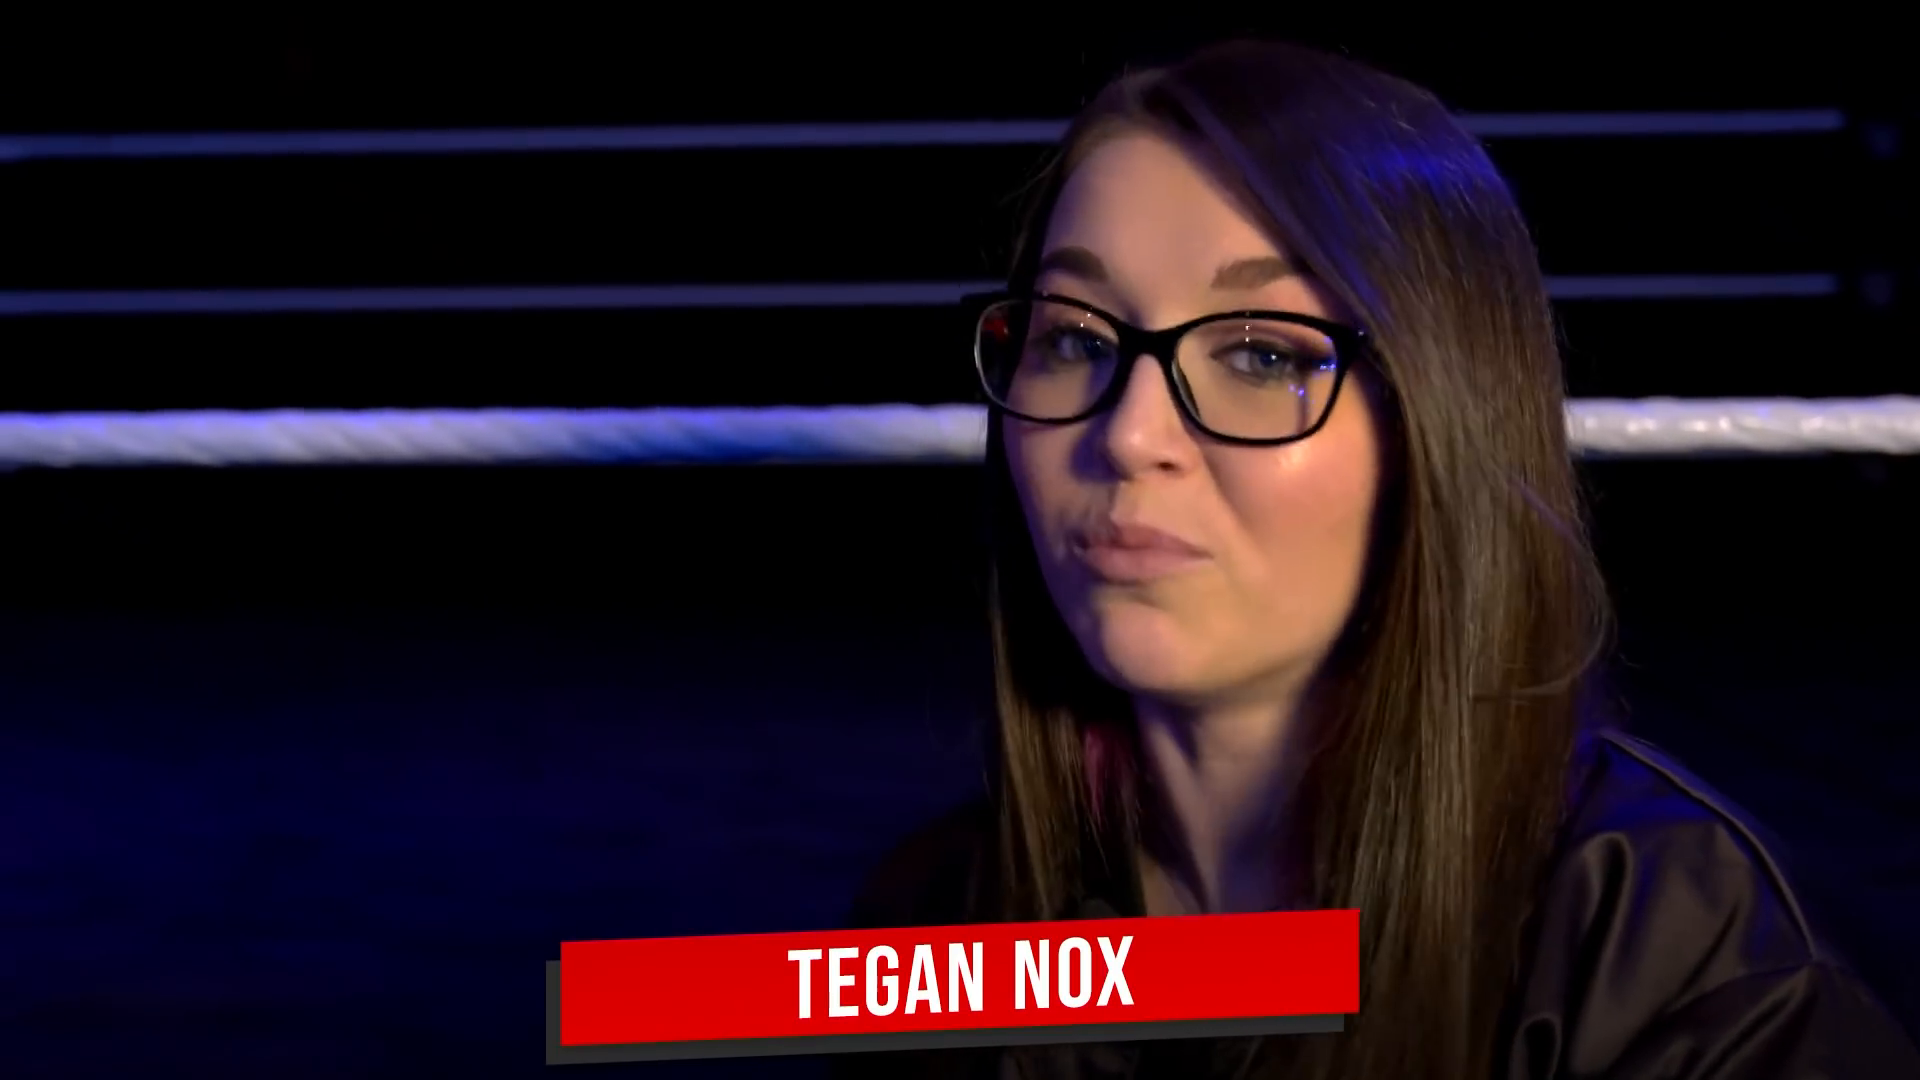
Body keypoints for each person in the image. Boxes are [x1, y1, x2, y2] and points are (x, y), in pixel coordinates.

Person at [830, 38, 1920, 1080]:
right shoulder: (931, 931)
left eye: (1261, 354)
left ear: (1435, 423)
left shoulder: (1681, 959)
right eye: (1075, 340)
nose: (1129, 435)